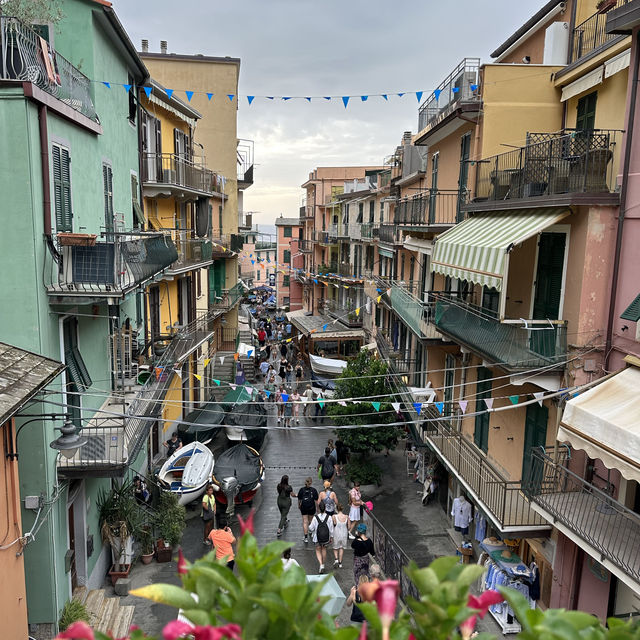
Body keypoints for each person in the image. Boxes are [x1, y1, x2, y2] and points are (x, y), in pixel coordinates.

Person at [308, 501, 334, 574]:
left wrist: (309, 525)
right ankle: (323, 563)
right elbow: (331, 529)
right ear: (325, 508)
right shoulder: (329, 517)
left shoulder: (315, 517)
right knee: (324, 549)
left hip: (317, 538)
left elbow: (311, 528)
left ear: (318, 509)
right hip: (326, 538)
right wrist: (331, 537)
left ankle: (321, 564)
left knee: (318, 550)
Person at [297, 477, 318, 543]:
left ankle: (305, 537)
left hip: (304, 507)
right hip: (311, 507)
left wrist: (299, 505)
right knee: (311, 520)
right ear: (311, 482)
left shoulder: (301, 490)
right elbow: (316, 500)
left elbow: (299, 499)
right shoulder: (314, 490)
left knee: (305, 521)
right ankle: (311, 531)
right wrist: (317, 508)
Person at [332, 503, 349, 568]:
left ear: (336, 509)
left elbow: (334, 524)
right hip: (344, 534)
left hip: (336, 533)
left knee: (335, 547)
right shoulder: (346, 517)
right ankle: (340, 563)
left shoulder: (334, 516)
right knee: (341, 548)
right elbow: (349, 527)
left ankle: (336, 559)